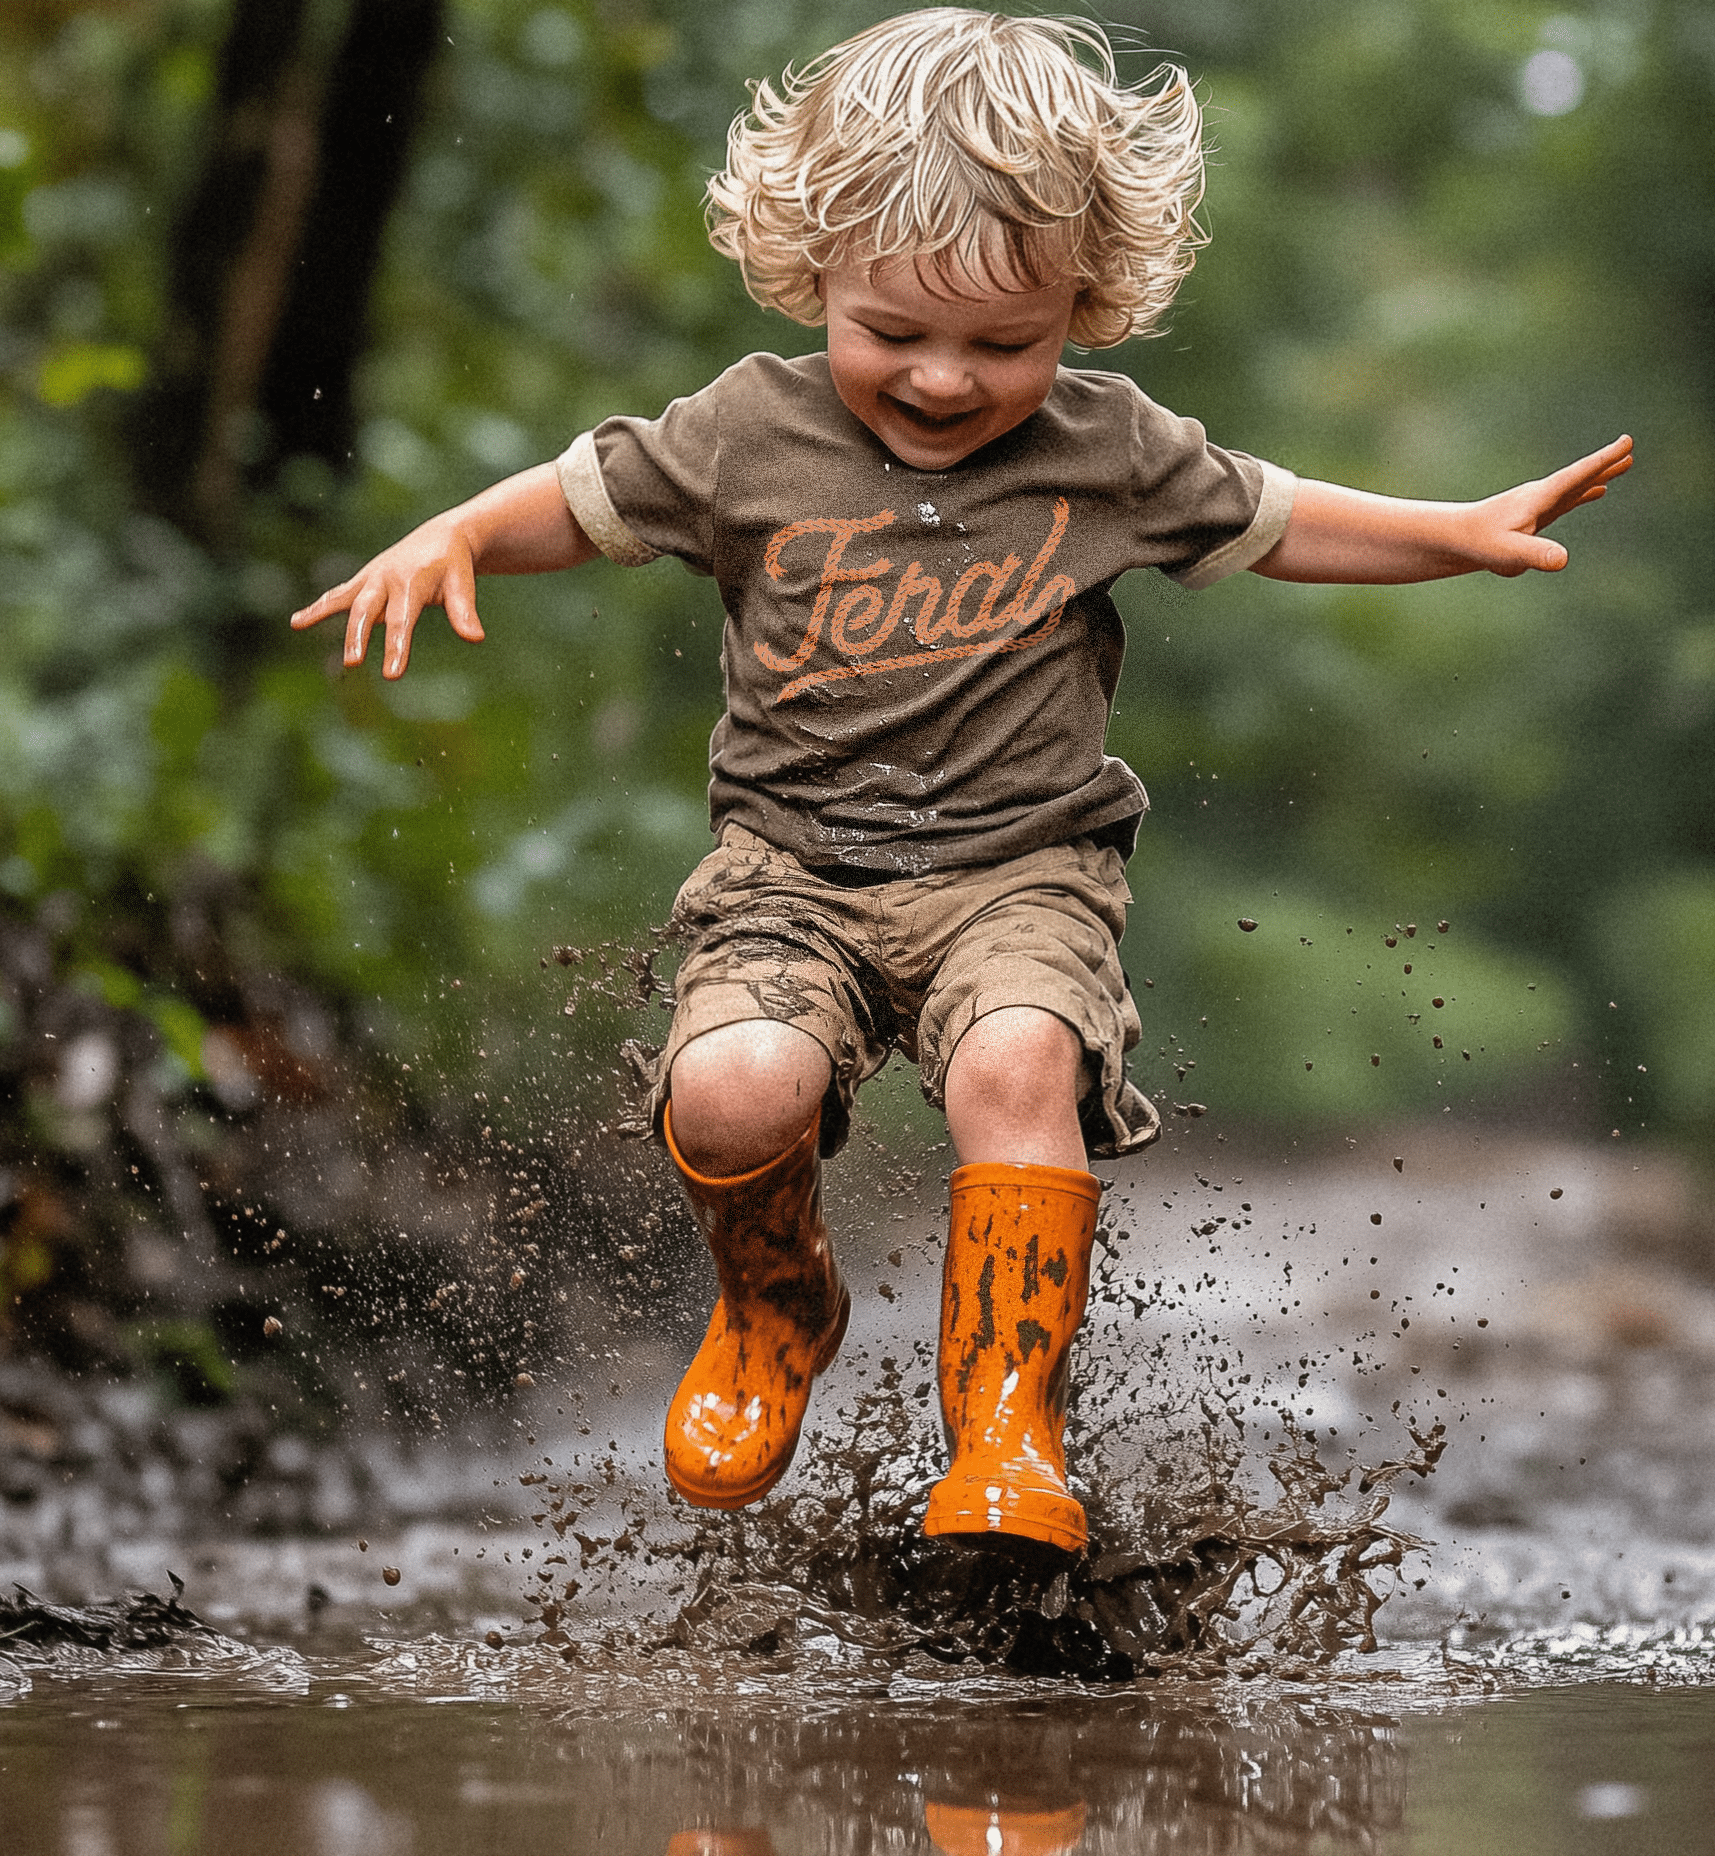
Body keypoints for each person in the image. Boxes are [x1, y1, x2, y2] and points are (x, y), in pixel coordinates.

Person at [292, 9, 1630, 1556]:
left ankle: (1004, 1430)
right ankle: (777, 1302)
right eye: (894, 332)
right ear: (817, 270)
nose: (941, 380)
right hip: (789, 874)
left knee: (1016, 1064)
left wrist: (1456, 528)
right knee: (734, 1091)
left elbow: (1280, 519)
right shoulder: (748, 435)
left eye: (1005, 343)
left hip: (1023, 873)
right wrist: (453, 532)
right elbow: (581, 499)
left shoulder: (1106, 452)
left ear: (1086, 301)